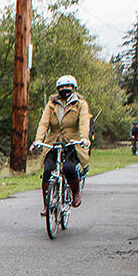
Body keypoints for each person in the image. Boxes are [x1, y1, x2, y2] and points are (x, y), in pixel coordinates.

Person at [33, 75, 91, 212]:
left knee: (69, 168)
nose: (65, 90)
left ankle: (76, 192)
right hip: (53, 142)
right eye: (61, 88)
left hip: (72, 143)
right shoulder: (51, 104)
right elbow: (43, 124)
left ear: (74, 88)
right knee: (48, 170)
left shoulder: (80, 104)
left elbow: (83, 123)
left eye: (68, 87)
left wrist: (84, 139)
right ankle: (47, 205)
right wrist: (38, 140)